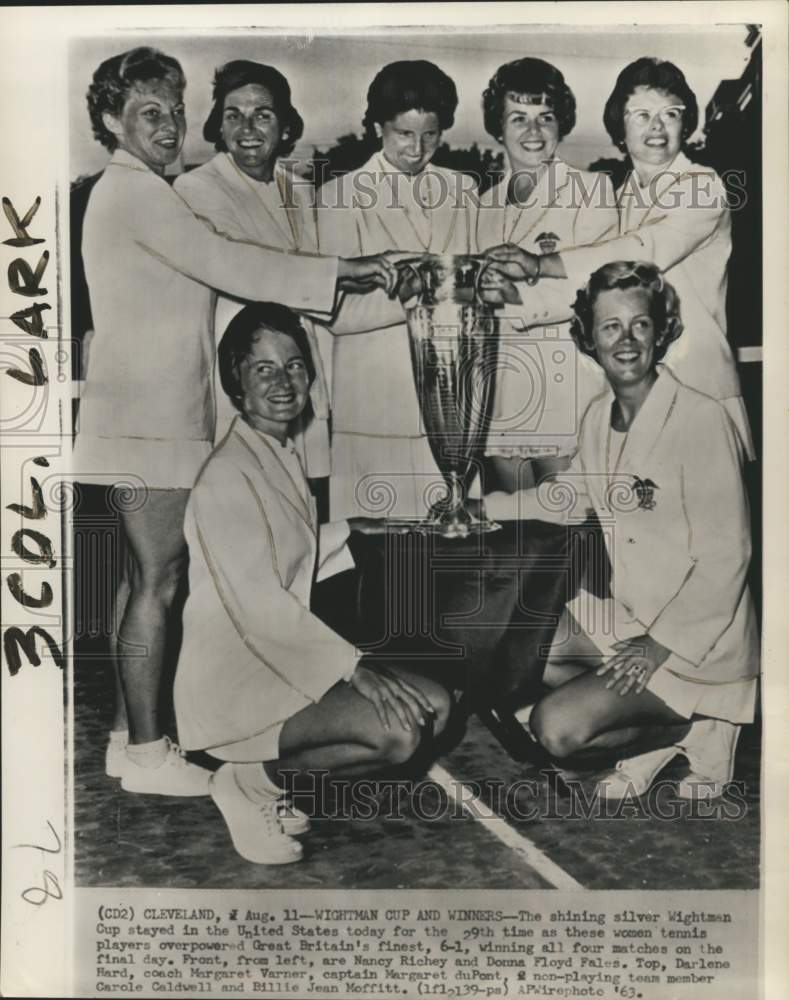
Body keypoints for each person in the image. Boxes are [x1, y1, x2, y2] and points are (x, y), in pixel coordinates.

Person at [74, 47, 398, 797]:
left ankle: (131, 739)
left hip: (154, 419)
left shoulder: (140, 190)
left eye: (172, 112)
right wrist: (340, 271)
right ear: (111, 122)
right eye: (148, 114)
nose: (167, 127)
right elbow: (229, 261)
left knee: (144, 579)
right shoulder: (137, 193)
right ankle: (151, 754)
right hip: (150, 423)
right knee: (158, 581)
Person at [173, 303, 451, 864]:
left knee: (437, 706)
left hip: (278, 660)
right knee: (397, 732)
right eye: (264, 369)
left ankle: (266, 782)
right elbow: (260, 604)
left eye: (295, 366)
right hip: (238, 682)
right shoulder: (227, 474)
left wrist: (350, 527)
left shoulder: (274, 451)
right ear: (236, 382)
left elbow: (282, 545)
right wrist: (357, 668)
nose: (284, 383)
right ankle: (248, 783)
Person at [484, 262, 758, 799]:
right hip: (634, 621)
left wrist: (657, 647)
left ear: (663, 331)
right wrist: (479, 508)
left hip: (699, 641)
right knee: (523, 641)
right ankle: (656, 730)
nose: (626, 340)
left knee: (555, 731)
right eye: (610, 326)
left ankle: (700, 725)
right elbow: (565, 501)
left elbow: (730, 555)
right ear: (588, 338)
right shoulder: (595, 418)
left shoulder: (702, 419)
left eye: (640, 324)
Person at [485, 57, 754, 461]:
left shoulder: (702, 185)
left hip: (697, 385)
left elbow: (639, 255)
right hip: (634, 391)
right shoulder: (624, 193)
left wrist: (539, 265)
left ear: (687, 123)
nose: (657, 127)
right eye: (642, 115)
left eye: (671, 114)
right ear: (620, 127)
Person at [317, 60, 553, 519]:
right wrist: (418, 293)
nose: (417, 148)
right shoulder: (338, 196)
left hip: (454, 411)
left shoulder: (463, 190)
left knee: (454, 566)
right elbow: (334, 312)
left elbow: (476, 292)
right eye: (404, 134)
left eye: (430, 134)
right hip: (374, 415)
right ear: (376, 127)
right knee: (380, 566)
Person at [174, 59, 407, 478]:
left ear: (285, 128)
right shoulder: (194, 190)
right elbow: (258, 272)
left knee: (305, 516)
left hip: (304, 392)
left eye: (262, 114)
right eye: (233, 116)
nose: (247, 128)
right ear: (219, 128)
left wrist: (408, 286)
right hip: (243, 389)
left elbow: (324, 300)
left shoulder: (299, 190)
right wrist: (350, 268)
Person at [473, 58, 619, 491]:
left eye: (545, 117)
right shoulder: (480, 206)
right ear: (498, 128)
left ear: (563, 124)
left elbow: (600, 287)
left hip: (568, 384)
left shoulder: (592, 190)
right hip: (502, 390)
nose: (533, 132)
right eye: (518, 118)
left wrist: (517, 299)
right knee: (513, 537)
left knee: (573, 530)